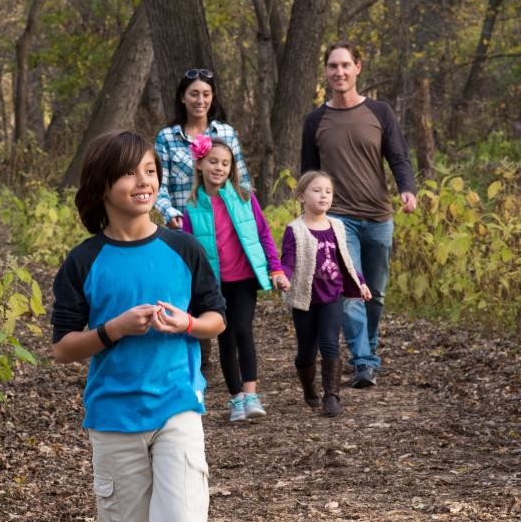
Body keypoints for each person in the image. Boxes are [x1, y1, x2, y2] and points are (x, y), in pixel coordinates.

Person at [50, 129, 226, 522]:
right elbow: (63, 348)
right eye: (130, 172)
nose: (143, 181)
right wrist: (114, 329)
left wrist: (189, 324)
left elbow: (218, 318)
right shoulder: (83, 262)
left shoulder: (183, 247)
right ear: (102, 186)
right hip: (113, 416)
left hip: (177, 406)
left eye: (150, 170)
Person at [300, 41, 417, 389]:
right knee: (351, 289)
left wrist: (406, 189)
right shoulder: (315, 120)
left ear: (357, 68)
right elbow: (309, 171)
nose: (339, 72)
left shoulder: (380, 112)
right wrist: (308, 214)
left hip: (379, 215)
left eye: (345, 65)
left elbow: (398, 157)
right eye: (333, 66)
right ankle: (363, 361)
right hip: (337, 218)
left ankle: (369, 346)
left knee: (376, 292)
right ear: (326, 72)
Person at [182, 135, 289, 423]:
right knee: (225, 338)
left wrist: (275, 268)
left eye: (225, 163)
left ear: (231, 168)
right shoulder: (191, 207)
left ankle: (251, 393)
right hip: (214, 284)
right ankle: (236, 399)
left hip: (243, 278)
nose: (219, 167)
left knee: (243, 329)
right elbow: (188, 250)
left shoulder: (244, 197)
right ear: (200, 164)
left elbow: (264, 234)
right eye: (213, 162)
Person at [280, 171, 370, 417]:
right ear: (301, 196)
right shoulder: (295, 230)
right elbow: (288, 261)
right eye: (317, 190)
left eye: (328, 192)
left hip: (332, 296)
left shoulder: (337, 226)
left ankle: (332, 396)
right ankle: (309, 387)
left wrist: (360, 283)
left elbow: (346, 261)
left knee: (330, 343)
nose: (323, 195)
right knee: (306, 351)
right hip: (305, 300)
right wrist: (283, 277)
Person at [154, 68, 251, 229]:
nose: (200, 100)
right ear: (182, 97)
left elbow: (242, 182)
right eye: (194, 94)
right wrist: (169, 213)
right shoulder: (166, 137)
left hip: (224, 228)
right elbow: (158, 186)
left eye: (206, 94)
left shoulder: (227, 133)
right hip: (183, 228)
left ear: (212, 97)